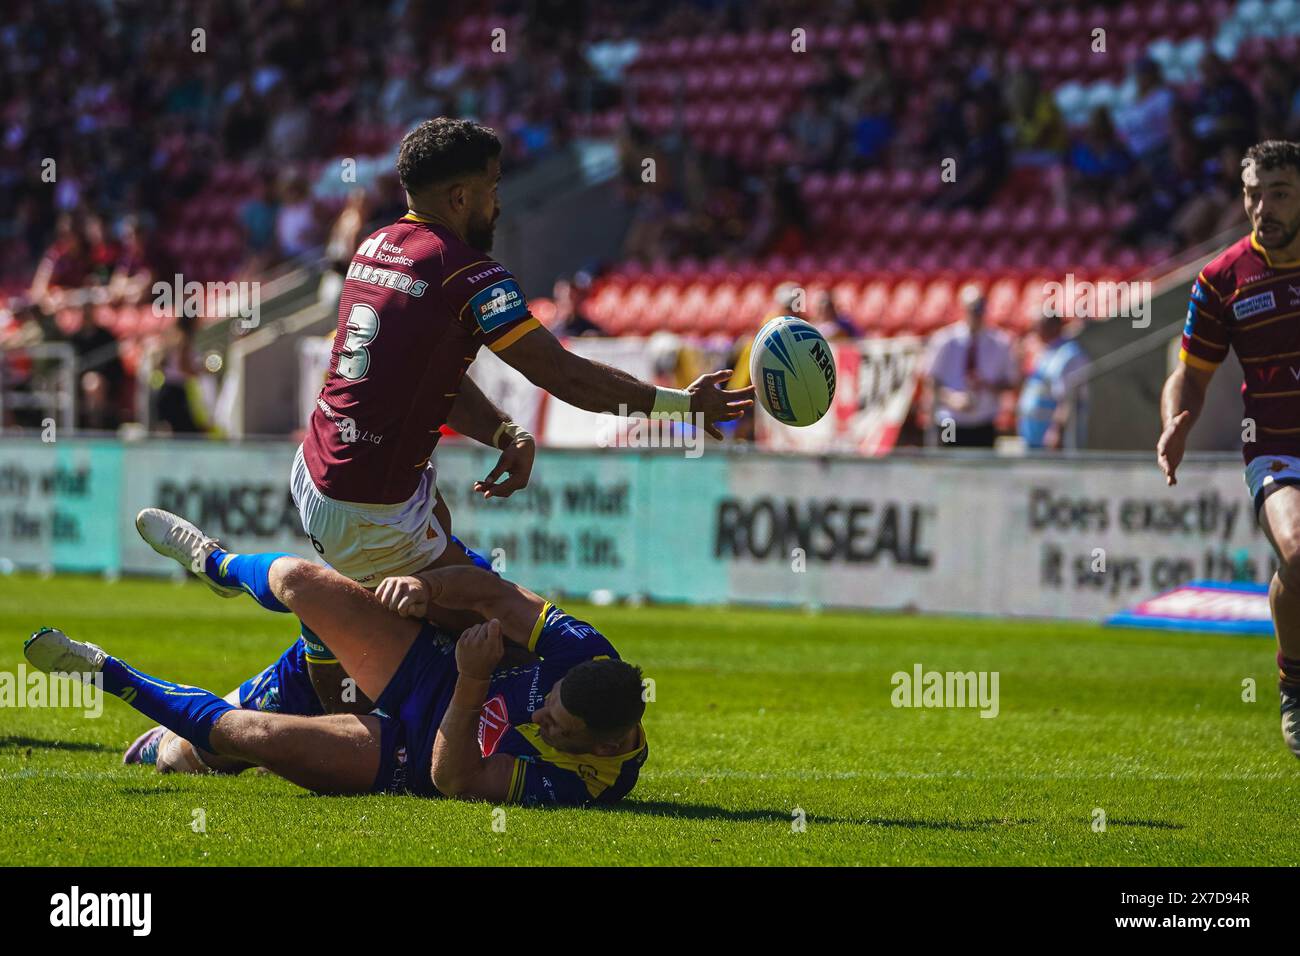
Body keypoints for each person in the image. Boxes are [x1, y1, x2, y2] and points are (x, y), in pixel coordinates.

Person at [27, 509, 648, 807]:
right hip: (426, 668)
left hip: (415, 751)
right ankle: (217, 564)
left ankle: (104, 672)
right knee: (302, 579)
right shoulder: (582, 652)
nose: (540, 720)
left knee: (244, 736)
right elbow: (492, 593)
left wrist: (473, 681)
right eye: (551, 707)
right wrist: (429, 591)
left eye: (557, 729)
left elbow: (452, 779)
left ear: (600, 746)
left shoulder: (591, 784)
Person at [1156, 139, 1300, 758]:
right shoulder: (1223, 278)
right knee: (1298, 548)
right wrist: (1174, 420)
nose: (1262, 206)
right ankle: (1295, 689)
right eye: (1252, 194)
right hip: (1275, 449)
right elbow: (1189, 374)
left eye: (1279, 193)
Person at [920, 284, 1018, 447]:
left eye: (980, 308)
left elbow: (1010, 382)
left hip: (983, 421)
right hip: (949, 420)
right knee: (947, 463)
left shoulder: (1000, 343)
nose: (976, 314)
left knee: (980, 468)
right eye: (972, 308)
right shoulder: (944, 340)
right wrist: (952, 398)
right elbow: (930, 379)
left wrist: (988, 385)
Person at [1017, 310, 1088, 451]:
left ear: (1054, 326)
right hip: (1034, 433)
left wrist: (1056, 431)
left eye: (1039, 325)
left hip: (1050, 436)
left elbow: (1068, 399)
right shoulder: (1046, 351)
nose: (1035, 330)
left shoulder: (1069, 354)